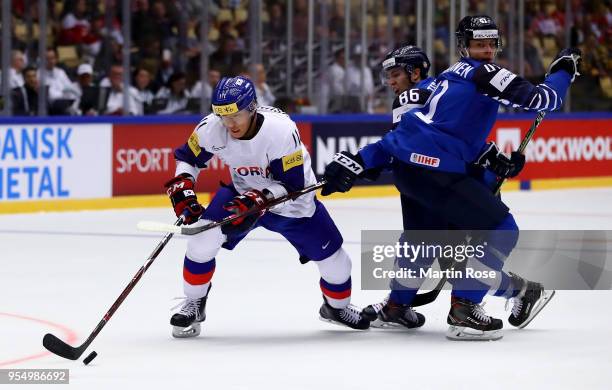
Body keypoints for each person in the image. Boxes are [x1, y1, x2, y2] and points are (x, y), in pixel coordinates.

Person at [321, 15, 580, 340]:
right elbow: (545, 100)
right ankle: (466, 309)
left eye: (490, 44)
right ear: (464, 46)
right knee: (501, 231)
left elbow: (417, 135)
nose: (486, 50)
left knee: (422, 242)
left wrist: (359, 161)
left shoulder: (442, 79)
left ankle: (396, 307)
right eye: (478, 44)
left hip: (411, 172)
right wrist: (562, 72)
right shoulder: (485, 73)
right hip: (438, 172)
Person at [164, 76, 370, 338]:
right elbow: (188, 158)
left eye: (235, 115)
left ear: (252, 107)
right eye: (222, 116)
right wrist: (184, 184)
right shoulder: (211, 127)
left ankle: (336, 309)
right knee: (202, 239)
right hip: (241, 194)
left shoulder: (280, 131)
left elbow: (292, 184)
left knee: (337, 264)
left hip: (293, 206)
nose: (229, 124)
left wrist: (260, 200)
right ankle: (194, 303)